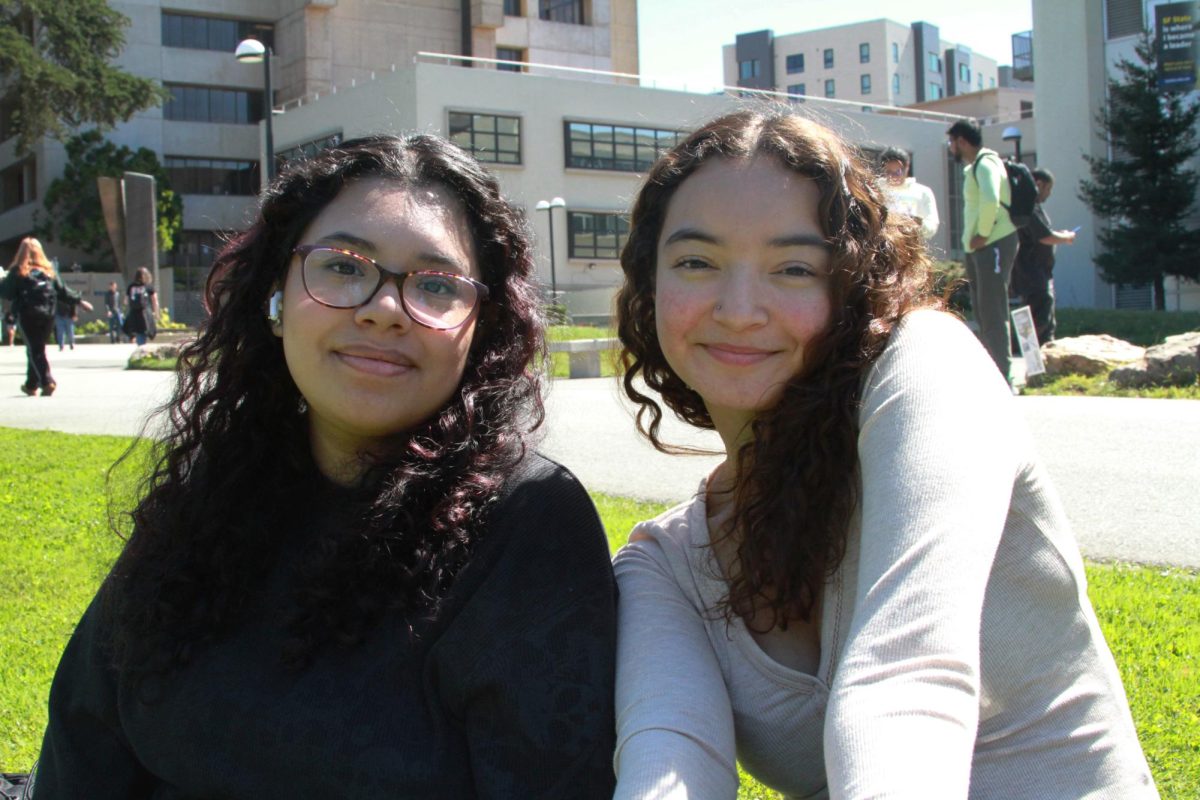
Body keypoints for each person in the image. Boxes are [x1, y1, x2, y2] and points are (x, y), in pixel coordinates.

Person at [32, 134, 618, 798]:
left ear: (481, 328)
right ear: (277, 297)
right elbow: (84, 743)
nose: (383, 309)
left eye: (435, 284)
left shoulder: (526, 523)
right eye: (342, 266)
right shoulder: (217, 489)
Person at [611, 110, 1157, 799]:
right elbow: (669, 753)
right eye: (697, 261)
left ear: (852, 283)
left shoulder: (931, 368)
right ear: (650, 283)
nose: (740, 308)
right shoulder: (662, 565)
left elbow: (907, 678)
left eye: (794, 267)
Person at [947, 118, 1020, 387]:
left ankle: (1003, 376)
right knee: (983, 309)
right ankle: (993, 374)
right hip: (981, 246)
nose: (951, 148)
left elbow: (990, 199)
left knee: (993, 310)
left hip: (993, 243)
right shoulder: (975, 167)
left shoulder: (986, 163)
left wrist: (983, 234)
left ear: (961, 141)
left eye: (952, 142)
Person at [0, 237, 92, 396]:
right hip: (48, 313)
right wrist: (80, 301)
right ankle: (31, 385)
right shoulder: (49, 271)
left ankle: (47, 381)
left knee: (35, 348)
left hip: (27, 313)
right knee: (36, 347)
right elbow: (62, 291)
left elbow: (7, 293)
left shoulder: (18, 270)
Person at [1012, 168, 1075, 344]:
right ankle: (1032, 360)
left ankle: (1035, 362)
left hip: (1035, 275)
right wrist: (1066, 237)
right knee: (1039, 324)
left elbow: (1043, 233)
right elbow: (1044, 237)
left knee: (1039, 323)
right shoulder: (1029, 207)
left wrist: (1058, 235)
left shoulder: (1030, 207)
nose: (1049, 193)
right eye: (1048, 188)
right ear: (1039, 184)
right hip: (1033, 275)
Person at [877, 146, 939, 240]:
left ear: (907, 167)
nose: (893, 177)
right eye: (888, 172)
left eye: (897, 172)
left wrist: (917, 223)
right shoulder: (876, 189)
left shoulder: (922, 192)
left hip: (911, 246)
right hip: (881, 244)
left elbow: (932, 225)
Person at [123, 266, 159, 345]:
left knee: (138, 332)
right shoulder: (148, 286)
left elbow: (125, 301)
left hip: (133, 313)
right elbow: (155, 301)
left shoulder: (131, 286)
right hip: (145, 312)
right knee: (143, 332)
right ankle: (141, 350)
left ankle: (138, 344)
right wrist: (156, 313)